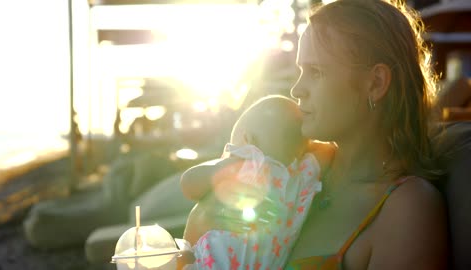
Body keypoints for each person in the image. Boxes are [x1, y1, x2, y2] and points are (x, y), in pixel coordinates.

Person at [178, 0, 449, 269]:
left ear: (375, 83)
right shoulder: (298, 167)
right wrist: (206, 217)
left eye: (316, 72)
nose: (296, 89)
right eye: (300, 71)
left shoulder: (407, 209)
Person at [181, 95, 322, 269]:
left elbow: (188, 184)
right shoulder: (301, 177)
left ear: (247, 141)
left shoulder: (245, 161)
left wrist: (225, 166)